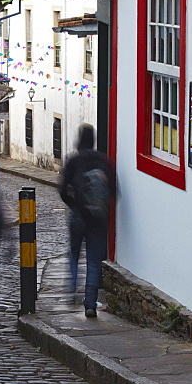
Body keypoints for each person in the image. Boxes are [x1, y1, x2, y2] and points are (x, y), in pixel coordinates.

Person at [58, 124, 115, 318]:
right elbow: (115, 191)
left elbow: (62, 190)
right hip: (98, 218)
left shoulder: (74, 161)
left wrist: (73, 204)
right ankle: (90, 303)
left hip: (78, 216)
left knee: (74, 255)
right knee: (93, 261)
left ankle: (72, 290)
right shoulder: (104, 161)